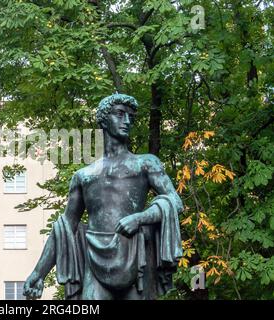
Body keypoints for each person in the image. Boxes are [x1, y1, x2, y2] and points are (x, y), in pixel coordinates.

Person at [23, 93, 183, 300]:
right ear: (104, 120)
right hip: (94, 258)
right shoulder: (84, 175)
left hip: (136, 257)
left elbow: (175, 201)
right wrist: (38, 273)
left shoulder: (146, 163)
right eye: (120, 114)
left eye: (131, 117)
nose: (127, 121)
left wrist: (139, 218)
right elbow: (65, 227)